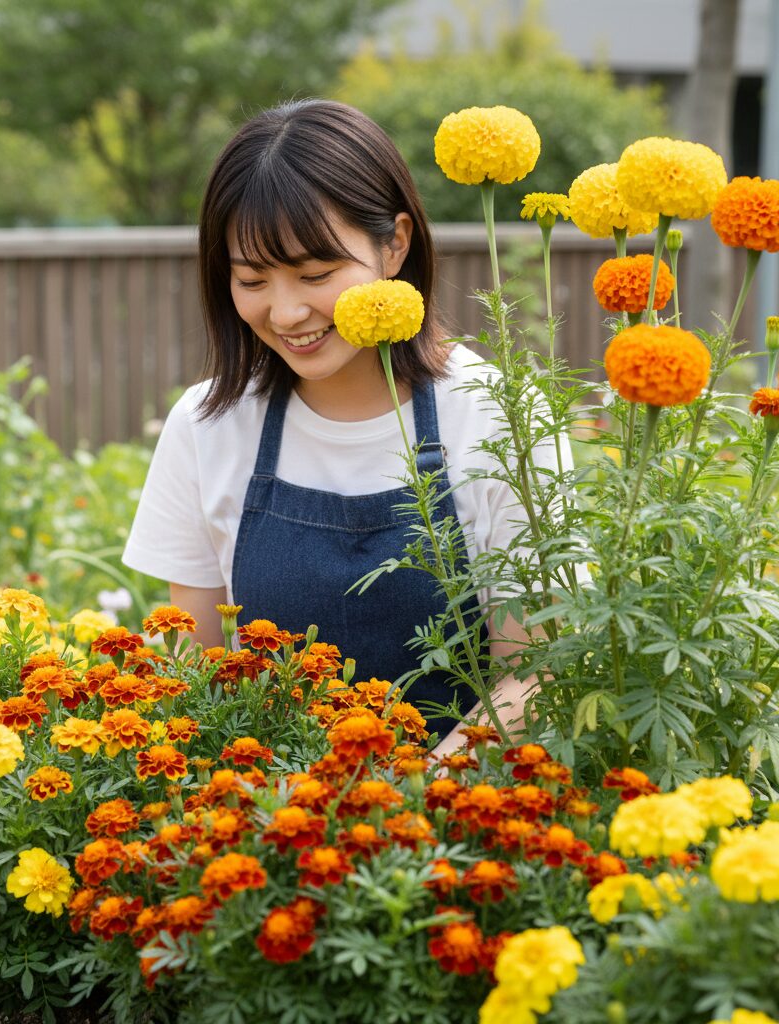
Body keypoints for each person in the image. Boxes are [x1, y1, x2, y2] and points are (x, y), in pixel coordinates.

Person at [122, 98, 566, 750]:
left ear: (395, 245)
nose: (286, 311)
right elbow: (194, 671)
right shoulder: (207, 426)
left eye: (315, 273)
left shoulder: (499, 420)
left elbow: (532, 674)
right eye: (252, 279)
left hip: (467, 818)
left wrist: (415, 801)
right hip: (270, 825)